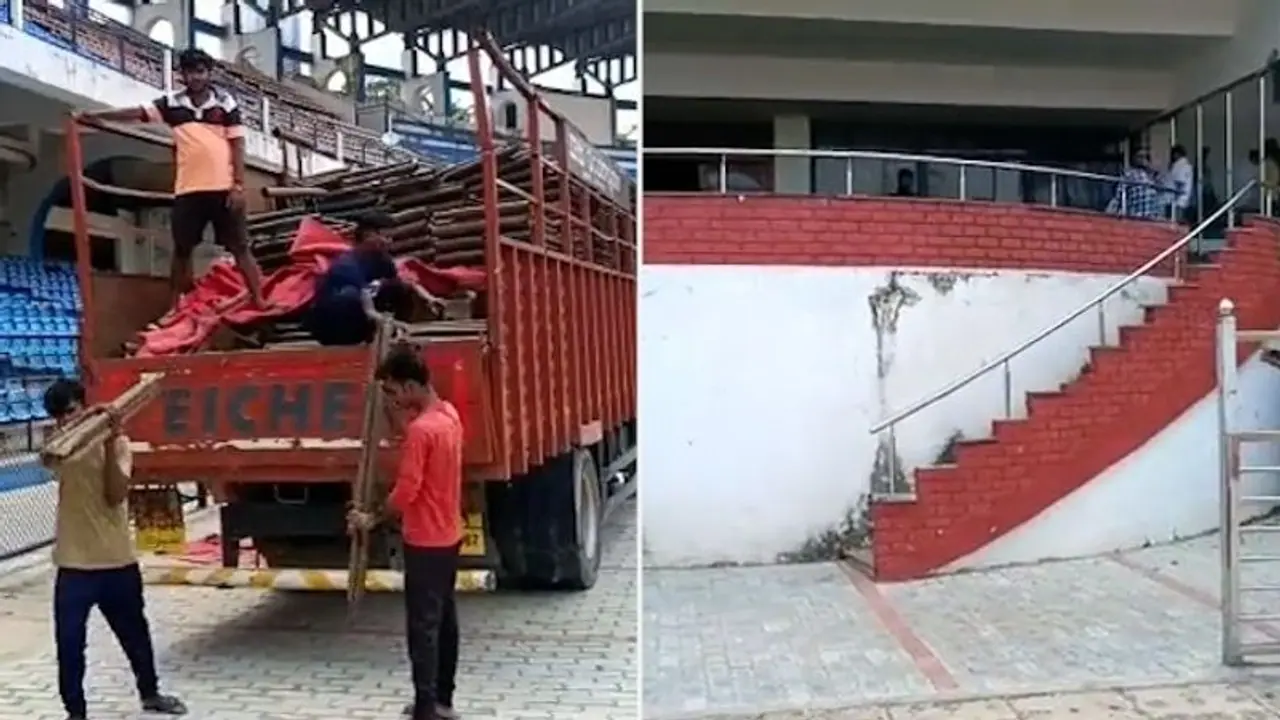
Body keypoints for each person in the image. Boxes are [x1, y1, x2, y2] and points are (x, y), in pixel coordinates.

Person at [40, 378, 187, 720]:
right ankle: (76, 712)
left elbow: (115, 493)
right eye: (60, 416)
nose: (65, 420)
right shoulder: (60, 445)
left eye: (71, 411)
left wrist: (109, 437)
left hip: (116, 561)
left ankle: (150, 693)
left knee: (135, 634)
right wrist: (84, 427)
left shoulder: (119, 444)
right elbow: (50, 459)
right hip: (74, 565)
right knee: (70, 643)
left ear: (83, 405)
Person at [73, 48, 265, 309]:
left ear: (209, 73)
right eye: (190, 72)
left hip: (224, 189)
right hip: (188, 190)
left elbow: (238, 144)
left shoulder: (225, 102)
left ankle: (259, 299)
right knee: (182, 250)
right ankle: (175, 306)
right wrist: (97, 116)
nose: (196, 77)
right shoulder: (172, 104)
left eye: (201, 71)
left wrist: (238, 185)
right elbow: (137, 113)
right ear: (182, 75)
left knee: (240, 248)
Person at [347, 348, 464, 720]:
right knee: (444, 621)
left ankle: (425, 709)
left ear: (411, 385)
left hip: (424, 540)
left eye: (394, 391)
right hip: (449, 534)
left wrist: (372, 518)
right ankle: (442, 699)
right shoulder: (449, 417)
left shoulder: (421, 431)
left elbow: (406, 491)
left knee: (422, 629)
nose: (392, 399)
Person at [305, 210, 432, 346]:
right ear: (368, 235)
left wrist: (429, 298)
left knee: (398, 287)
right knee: (350, 296)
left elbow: (401, 283)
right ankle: (351, 341)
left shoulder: (382, 259)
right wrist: (391, 323)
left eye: (391, 238)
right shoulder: (346, 264)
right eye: (385, 237)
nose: (389, 242)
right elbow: (368, 309)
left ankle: (396, 336)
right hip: (333, 324)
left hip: (365, 310)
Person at [1165, 144, 1195, 225]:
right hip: (1177, 199)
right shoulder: (1184, 165)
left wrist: (1175, 196)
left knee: (1174, 222)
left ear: (1177, 154)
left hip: (1176, 199)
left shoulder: (1181, 165)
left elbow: (1180, 181)